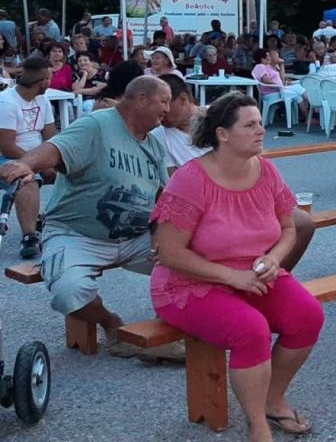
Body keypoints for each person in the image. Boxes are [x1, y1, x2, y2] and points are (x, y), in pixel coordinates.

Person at [151, 93, 323, 439]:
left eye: (260, 123)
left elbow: (289, 228)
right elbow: (168, 252)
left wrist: (274, 258)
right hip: (191, 282)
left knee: (308, 316)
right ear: (222, 134)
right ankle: (257, 423)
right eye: (250, 125)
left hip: (253, 274)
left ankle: (272, 399)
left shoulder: (266, 170)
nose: (261, 130)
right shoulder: (191, 178)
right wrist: (233, 277)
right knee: (251, 330)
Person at [0, 76, 179, 360]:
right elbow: (56, 149)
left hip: (135, 237)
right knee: (69, 291)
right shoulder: (96, 125)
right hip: (76, 234)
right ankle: (113, 326)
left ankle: (170, 330)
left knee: (197, 260)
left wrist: (167, 236)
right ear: (141, 99)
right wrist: (24, 164)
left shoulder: (154, 146)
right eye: (164, 101)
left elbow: (161, 197)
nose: (167, 109)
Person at [153, 74, 314, 272]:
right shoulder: (162, 138)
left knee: (302, 223)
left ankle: (268, 273)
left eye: (167, 103)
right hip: (204, 200)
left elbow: (251, 162)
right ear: (221, 134)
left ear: (183, 100)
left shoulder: (220, 113)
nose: (163, 111)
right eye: (251, 125)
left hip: (242, 188)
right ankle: (243, 275)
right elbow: (172, 183)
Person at [0, 58, 58, 259]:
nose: (51, 81)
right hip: (8, 158)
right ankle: (29, 236)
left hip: (36, 156)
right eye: (50, 77)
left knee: (79, 172)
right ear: (43, 81)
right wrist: (39, 162)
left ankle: (62, 221)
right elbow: (6, 146)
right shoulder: (6, 102)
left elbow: (51, 135)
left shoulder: (43, 100)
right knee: (26, 180)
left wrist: (55, 160)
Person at [251, 49, 308, 121]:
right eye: (268, 56)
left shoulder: (268, 67)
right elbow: (266, 80)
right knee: (299, 88)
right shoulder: (260, 66)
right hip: (272, 92)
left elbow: (282, 79)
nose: (270, 57)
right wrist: (279, 85)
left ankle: (308, 116)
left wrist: (281, 65)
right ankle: (313, 109)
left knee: (299, 90)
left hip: (278, 89)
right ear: (262, 59)